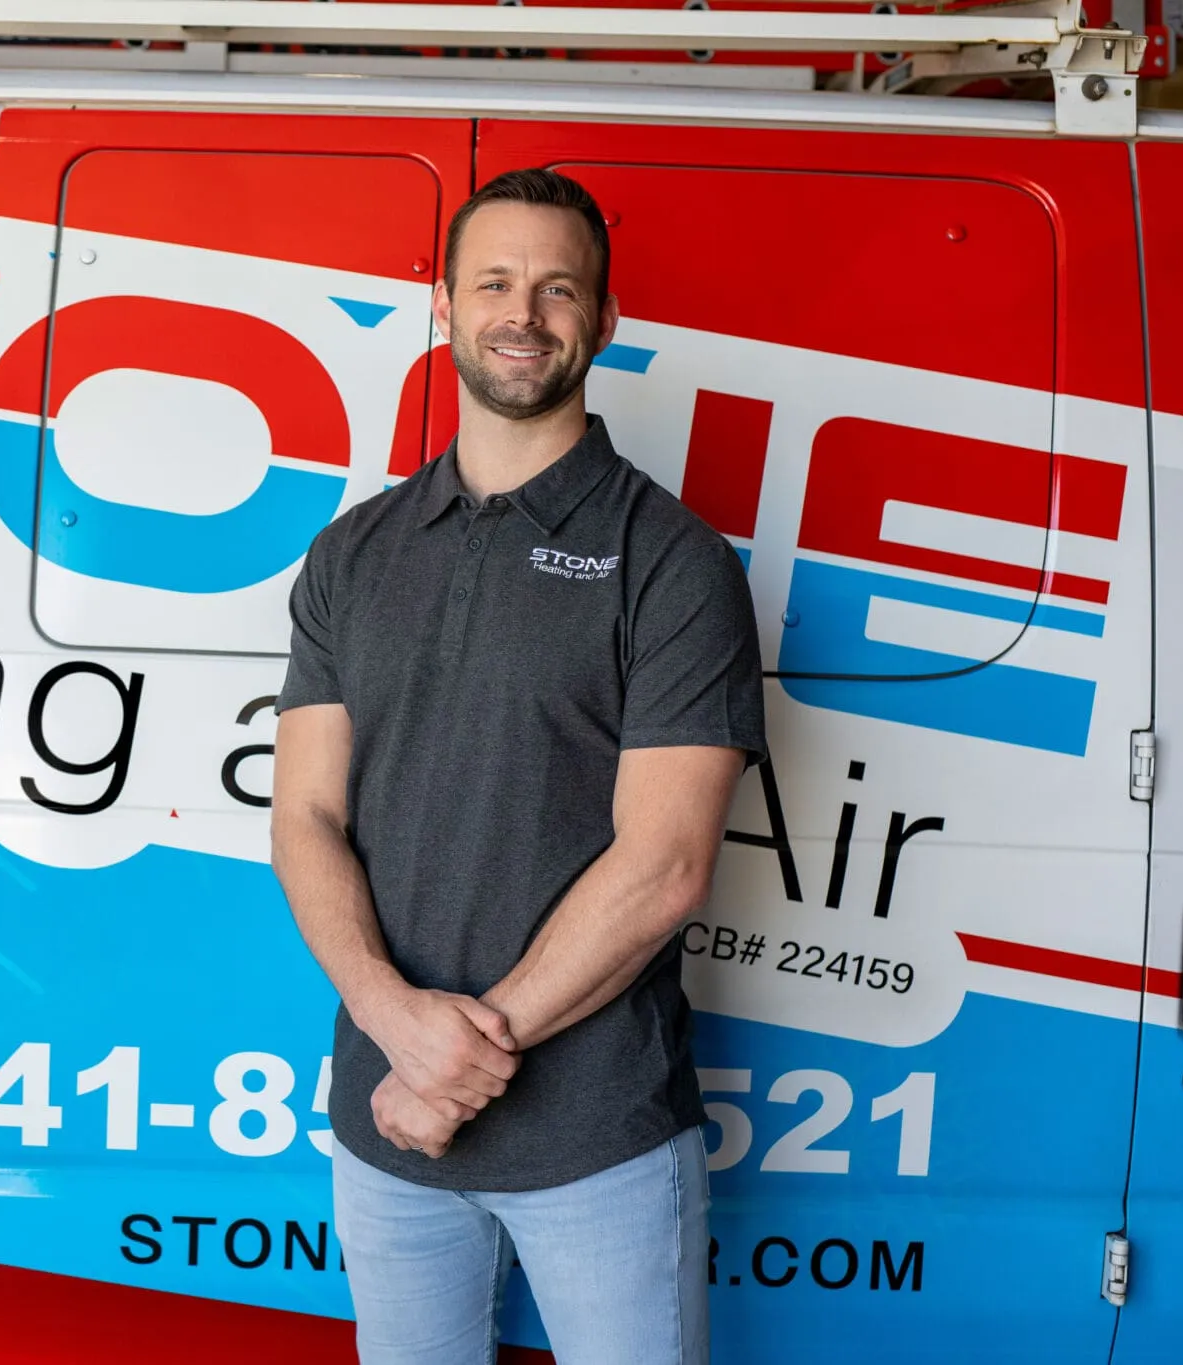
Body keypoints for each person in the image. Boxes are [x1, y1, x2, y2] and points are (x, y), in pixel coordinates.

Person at [270, 168, 767, 1365]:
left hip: (595, 1136)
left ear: (600, 321)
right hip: (386, 1126)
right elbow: (303, 818)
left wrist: (454, 1063)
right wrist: (400, 1032)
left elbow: (662, 865)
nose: (522, 312)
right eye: (492, 281)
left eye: (557, 288)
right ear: (439, 307)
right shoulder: (352, 552)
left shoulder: (672, 561)